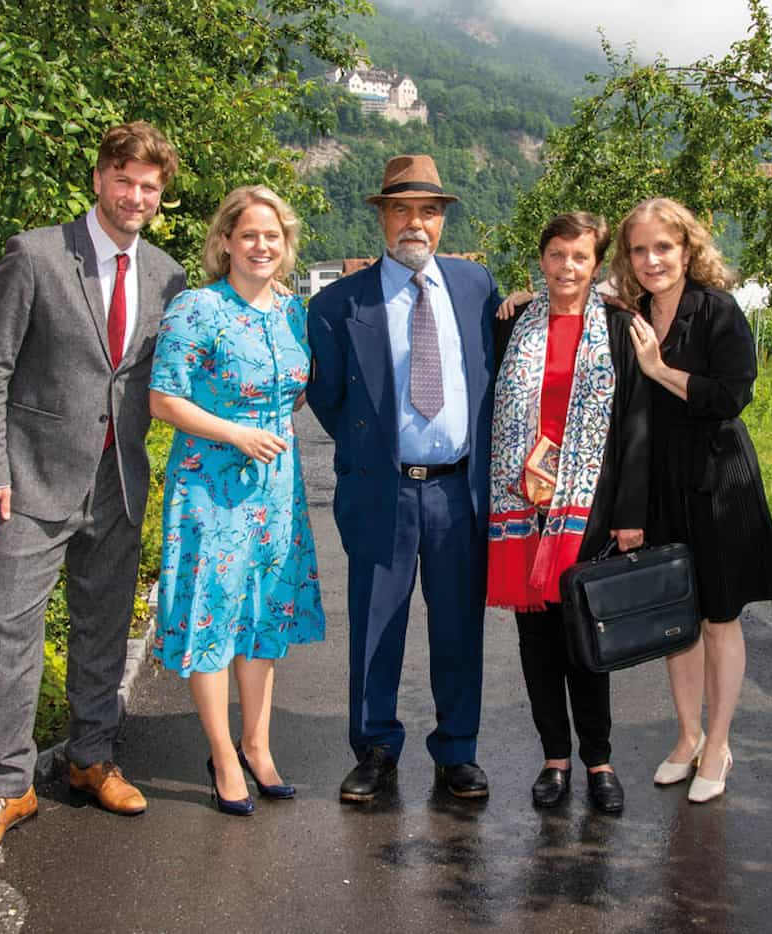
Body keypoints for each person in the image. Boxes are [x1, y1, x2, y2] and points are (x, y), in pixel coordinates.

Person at [0, 122, 187, 859]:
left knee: (102, 630)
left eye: (150, 187)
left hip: (117, 486)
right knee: (9, 633)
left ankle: (91, 757)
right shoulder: (35, 255)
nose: (136, 196)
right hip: (27, 482)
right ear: (98, 180)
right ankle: (7, 787)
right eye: (125, 180)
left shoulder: (167, 275)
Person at [306, 154, 503, 802]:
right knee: (375, 625)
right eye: (400, 209)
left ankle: (457, 753)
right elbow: (332, 402)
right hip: (383, 488)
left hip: (457, 489)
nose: (413, 222)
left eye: (426, 210)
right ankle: (374, 750)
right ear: (382, 218)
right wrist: (374, 455)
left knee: (456, 627)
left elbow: (494, 380)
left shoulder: (478, 289)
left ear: (442, 219)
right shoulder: (339, 304)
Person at [148, 185, 324, 815]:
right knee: (213, 615)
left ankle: (258, 745)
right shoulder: (198, 308)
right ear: (225, 241)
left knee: (263, 614)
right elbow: (163, 398)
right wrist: (234, 430)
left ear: (286, 244)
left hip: (276, 488)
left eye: (272, 236)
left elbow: (296, 391)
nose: (261, 246)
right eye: (248, 235)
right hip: (210, 484)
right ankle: (223, 754)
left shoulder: (293, 312)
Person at [617, 197, 772, 804]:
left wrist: (659, 370)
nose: (652, 259)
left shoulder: (717, 310)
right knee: (677, 618)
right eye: (640, 249)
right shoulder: (631, 313)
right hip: (660, 477)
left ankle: (718, 743)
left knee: (719, 617)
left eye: (663, 247)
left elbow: (732, 394)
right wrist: (518, 302)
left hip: (717, 477)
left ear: (688, 250)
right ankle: (687, 736)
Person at [488, 212, 649, 813]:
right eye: (556, 255)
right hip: (523, 507)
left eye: (579, 257)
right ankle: (554, 757)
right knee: (537, 637)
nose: (566, 268)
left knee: (585, 634)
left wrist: (630, 514)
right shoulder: (511, 323)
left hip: (590, 506)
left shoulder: (619, 325)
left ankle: (599, 760)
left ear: (597, 263)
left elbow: (636, 426)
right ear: (542, 257)